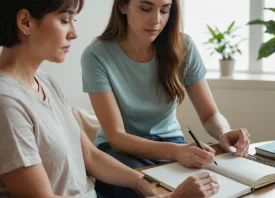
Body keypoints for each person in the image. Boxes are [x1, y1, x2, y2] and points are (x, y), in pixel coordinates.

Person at [0, 0, 220, 197]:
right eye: (65, 20)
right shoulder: (7, 102)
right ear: (26, 22)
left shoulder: (45, 82)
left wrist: (143, 183)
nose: (74, 33)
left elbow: (90, 156)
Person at [81, 0, 251, 197]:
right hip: (120, 151)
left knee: (208, 189)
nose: (156, 20)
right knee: (146, 192)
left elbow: (210, 114)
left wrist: (224, 132)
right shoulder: (96, 55)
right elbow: (117, 138)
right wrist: (176, 152)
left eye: (164, 10)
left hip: (172, 144)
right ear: (122, 6)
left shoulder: (184, 46)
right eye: (145, 8)